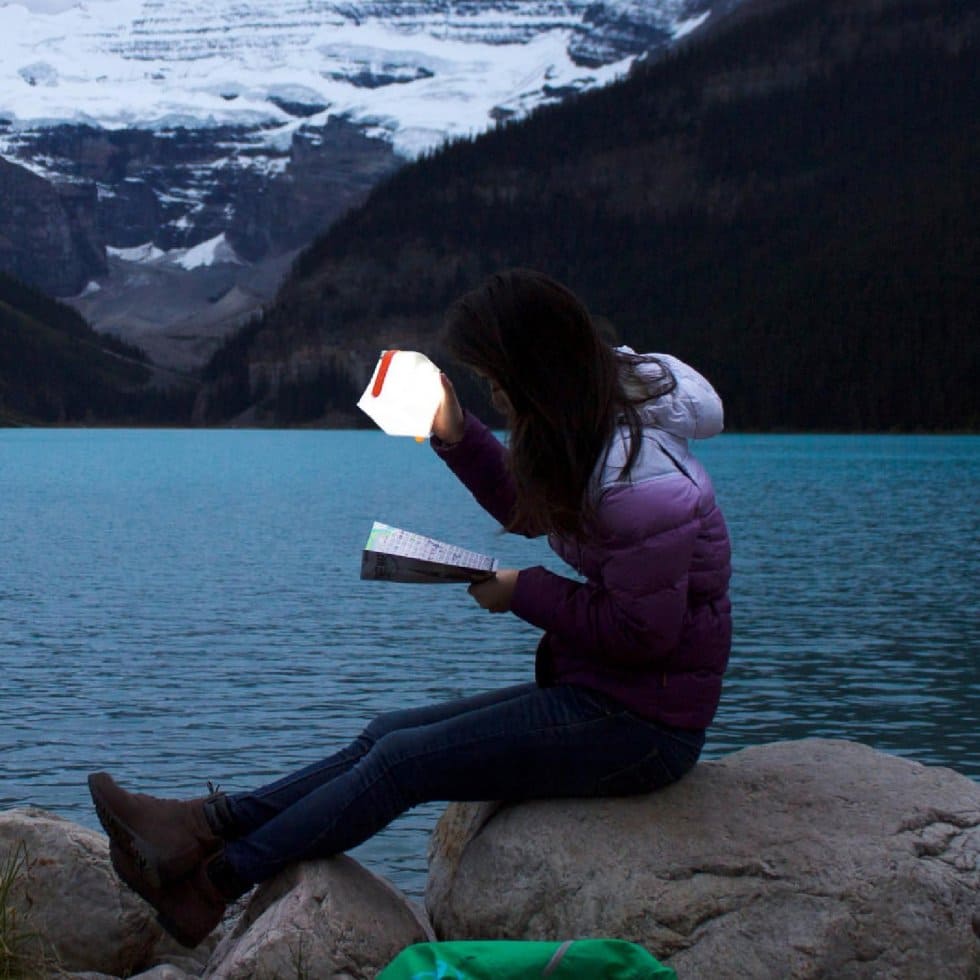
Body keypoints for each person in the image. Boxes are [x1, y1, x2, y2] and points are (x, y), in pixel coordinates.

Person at [88, 268, 732, 948]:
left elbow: (643, 635)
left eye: (496, 379)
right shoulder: (588, 423)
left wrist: (523, 591)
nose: (495, 394)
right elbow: (530, 508)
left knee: (404, 764)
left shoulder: (641, 486)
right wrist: (457, 432)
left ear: (535, 372)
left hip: (644, 727)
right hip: (604, 693)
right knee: (386, 734)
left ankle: (210, 887)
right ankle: (199, 829)